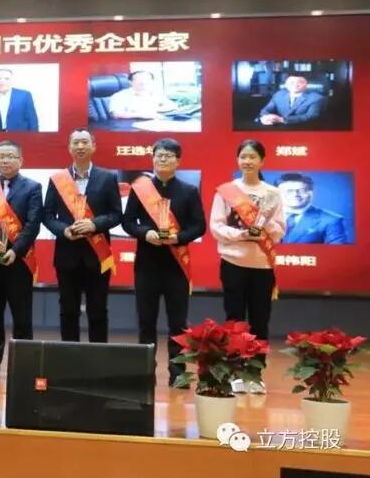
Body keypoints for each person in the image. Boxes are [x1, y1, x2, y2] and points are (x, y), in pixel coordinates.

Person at [122, 138, 206, 388]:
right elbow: (128, 222)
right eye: (159, 155)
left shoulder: (189, 191)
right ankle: (144, 372)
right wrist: (145, 233)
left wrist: (178, 238)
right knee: (146, 321)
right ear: (153, 159)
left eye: (168, 156)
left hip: (176, 266)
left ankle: (178, 373)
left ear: (178, 161)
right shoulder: (140, 189)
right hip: (147, 264)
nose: (162, 159)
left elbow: (198, 226)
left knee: (178, 323)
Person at [210, 140, 285, 394]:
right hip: (233, 262)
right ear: (237, 160)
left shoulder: (273, 193)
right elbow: (216, 227)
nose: (248, 161)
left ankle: (254, 373)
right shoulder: (226, 191)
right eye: (243, 156)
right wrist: (242, 234)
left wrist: (264, 225)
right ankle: (234, 371)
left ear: (262, 161)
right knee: (234, 320)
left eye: (253, 157)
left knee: (260, 320)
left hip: (262, 266)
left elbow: (280, 230)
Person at [43, 129, 122, 343]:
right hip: (66, 255)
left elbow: (116, 214)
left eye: (84, 142)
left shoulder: (107, 178)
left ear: (93, 146)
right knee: (68, 310)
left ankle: (99, 356)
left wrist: (94, 224)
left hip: (98, 255)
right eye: (76, 142)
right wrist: (64, 230)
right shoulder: (58, 179)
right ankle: (70, 354)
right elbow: (47, 215)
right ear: (69, 147)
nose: (80, 146)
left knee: (98, 311)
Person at [0, 140, 43, 377]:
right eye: (1, 156)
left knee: (22, 316)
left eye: (10, 156)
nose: (5, 160)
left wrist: (16, 250)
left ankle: (24, 364)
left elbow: (33, 224)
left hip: (19, 262)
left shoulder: (32, 187)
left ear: (20, 160)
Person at [276, 173, 347, 244]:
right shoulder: (269, 216)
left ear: (311, 193)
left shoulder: (331, 220)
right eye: (289, 191)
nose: (295, 194)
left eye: (302, 190)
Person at [0, 68, 39, 132]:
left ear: (12, 80)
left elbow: (32, 120)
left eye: (7, 78)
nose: (2, 81)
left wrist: (34, 137)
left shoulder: (24, 95)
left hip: (19, 135)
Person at [257, 74, 325, 127]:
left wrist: (281, 119)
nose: (295, 84)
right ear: (286, 85)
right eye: (291, 82)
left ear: (306, 85)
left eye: (300, 82)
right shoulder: (279, 95)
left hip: (303, 129)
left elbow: (311, 116)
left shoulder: (315, 97)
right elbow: (266, 110)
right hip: (278, 128)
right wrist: (265, 118)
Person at [108, 70, 177, 120]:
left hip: (154, 122)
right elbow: (116, 114)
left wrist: (157, 110)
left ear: (152, 81)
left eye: (147, 80)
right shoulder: (120, 96)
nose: (143, 82)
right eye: (139, 80)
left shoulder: (154, 93)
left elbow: (172, 105)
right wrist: (143, 114)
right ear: (130, 82)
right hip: (131, 125)